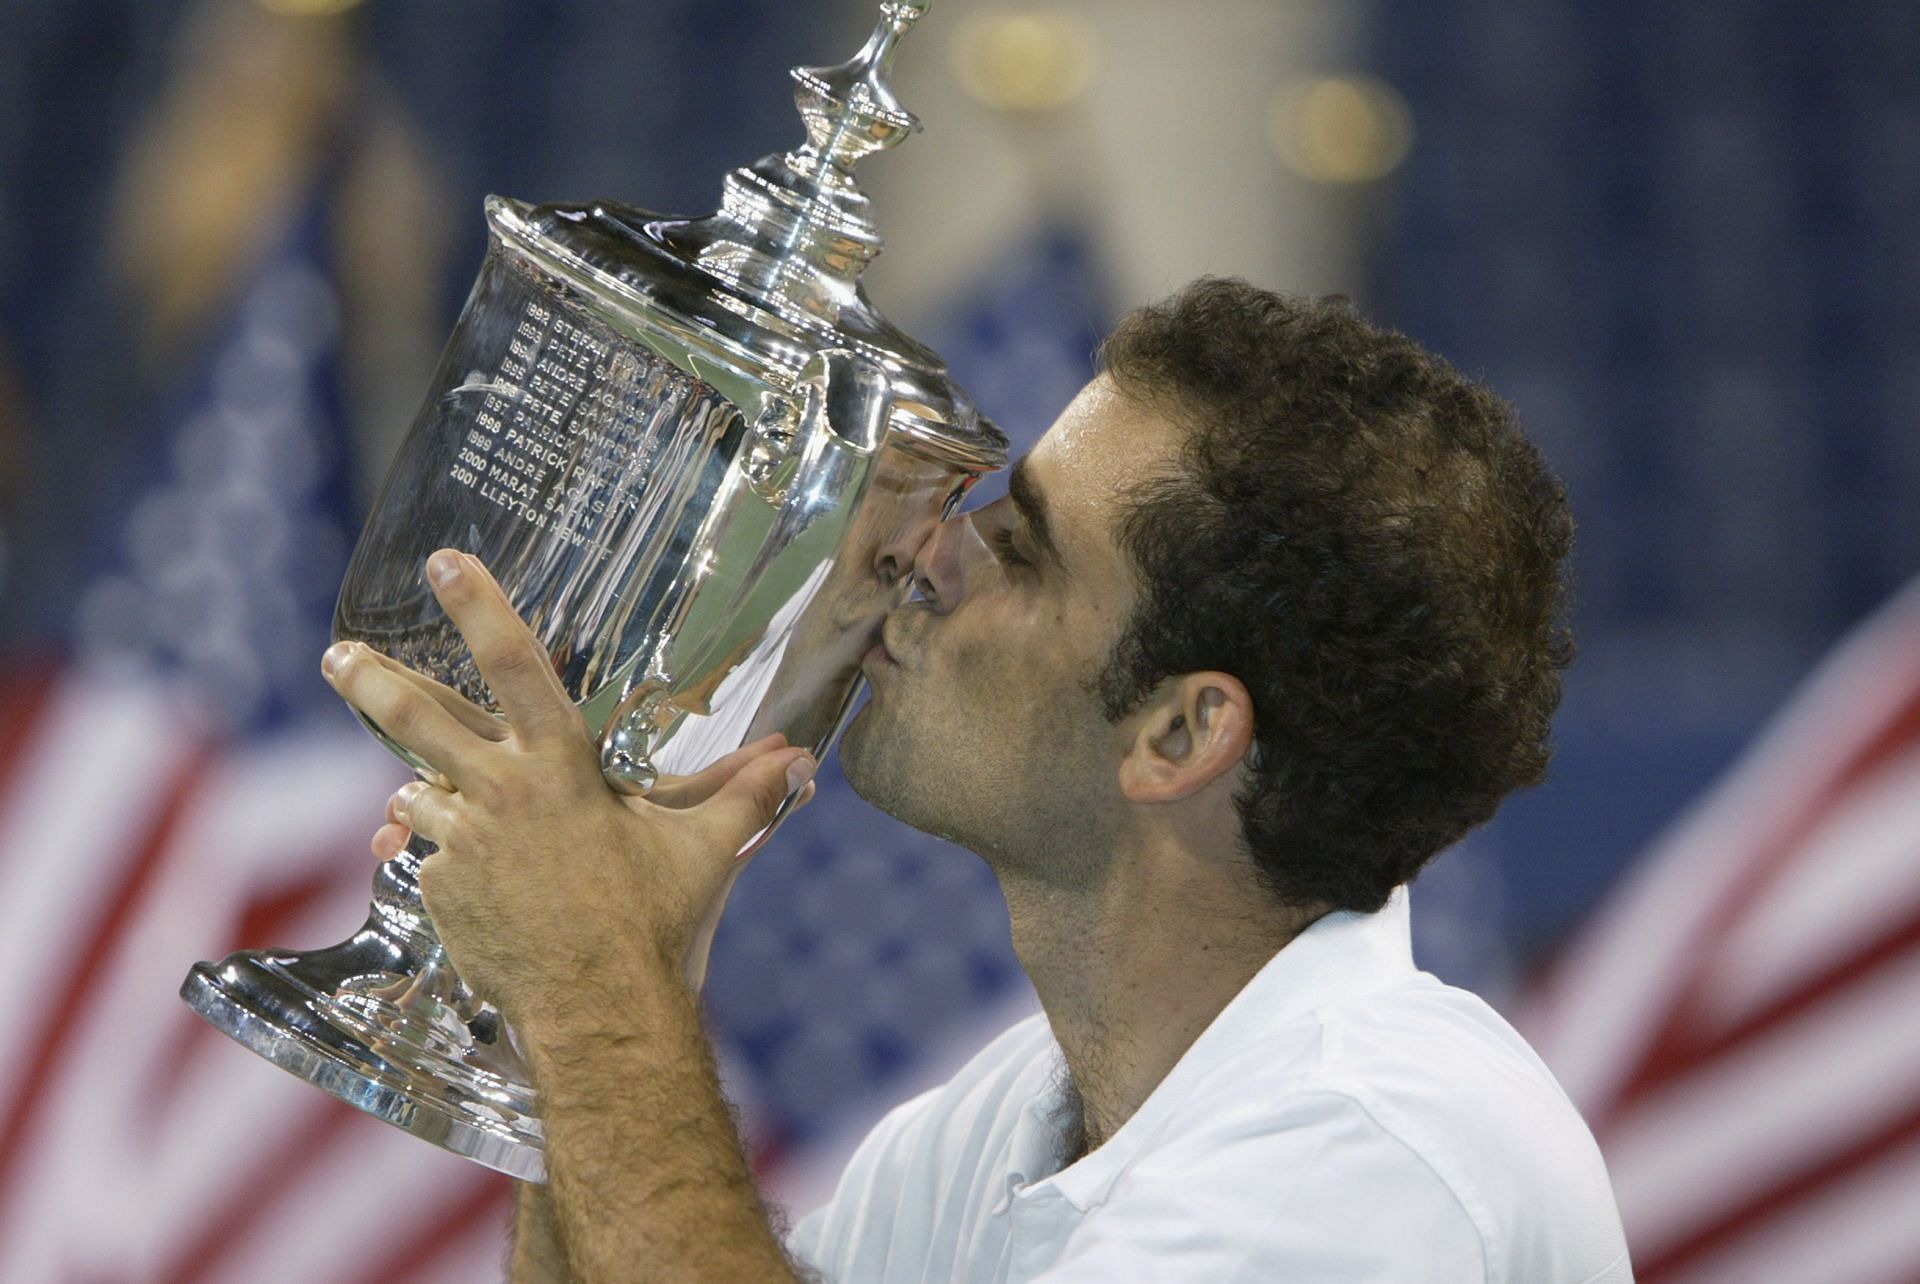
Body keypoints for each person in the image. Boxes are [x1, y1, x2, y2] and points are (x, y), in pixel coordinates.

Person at [321, 278, 1632, 1283]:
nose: (931, 555)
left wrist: (596, 982)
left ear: (1181, 736)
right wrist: (591, 997)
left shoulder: (1371, 1159)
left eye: (1023, 546)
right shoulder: (996, 1128)